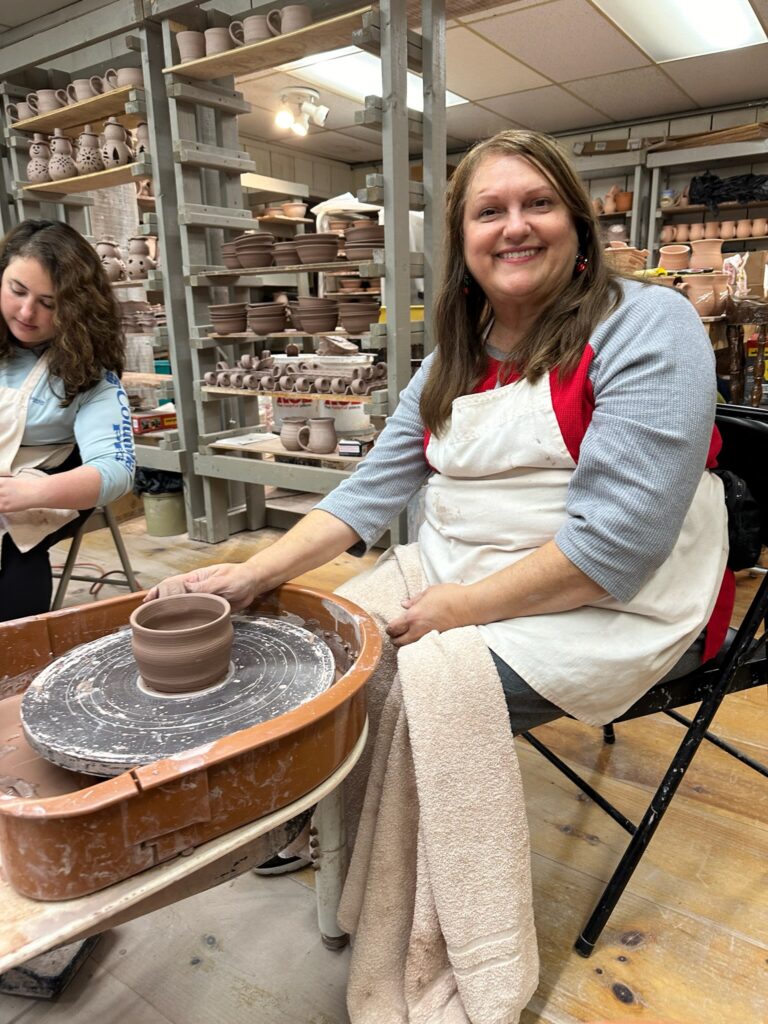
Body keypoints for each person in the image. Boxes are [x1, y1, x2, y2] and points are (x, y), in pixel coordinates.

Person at [149, 130, 731, 1013]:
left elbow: (616, 549)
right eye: (489, 211)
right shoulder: (453, 355)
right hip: (462, 569)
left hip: (610, 602)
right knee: (321, 650)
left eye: (537, 204)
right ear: (461, 242)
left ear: (578, 224)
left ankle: (437, 933)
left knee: (405, 685)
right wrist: (247, 574)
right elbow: (365, 494)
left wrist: (458, 609)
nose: (515, 226)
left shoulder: (649, 324)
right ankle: (342, 848)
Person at [0, 220, 135, 621]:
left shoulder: (89, 374)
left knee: (14, 554)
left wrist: (24, 495)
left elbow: (117, 469)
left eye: (49, 302)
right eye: (17, 291)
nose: (27, 312)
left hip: (39, 488)